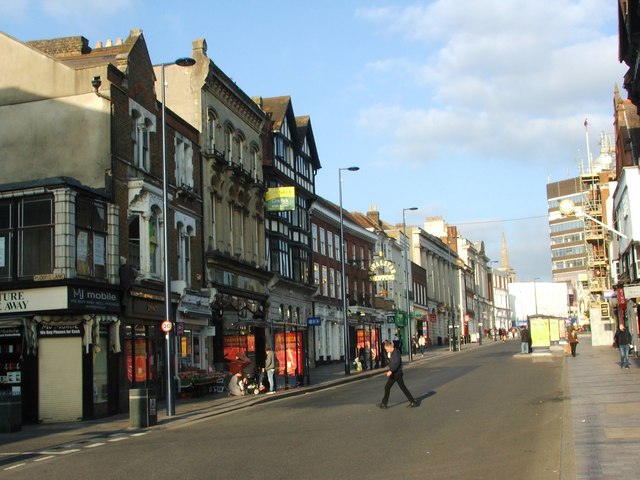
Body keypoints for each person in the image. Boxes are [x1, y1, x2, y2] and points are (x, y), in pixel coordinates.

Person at [377, 340, 418, 409]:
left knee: (388, 387)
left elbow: (396, 363)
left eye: (387, 349)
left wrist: (391, 371)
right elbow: (392, 362)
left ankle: (384, 404)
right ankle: (413, 401)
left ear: (389, 347)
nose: (386, 351)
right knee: (401, 388)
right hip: (396, 373)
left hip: (396, 374)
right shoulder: (393, 353)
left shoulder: (395, 353)